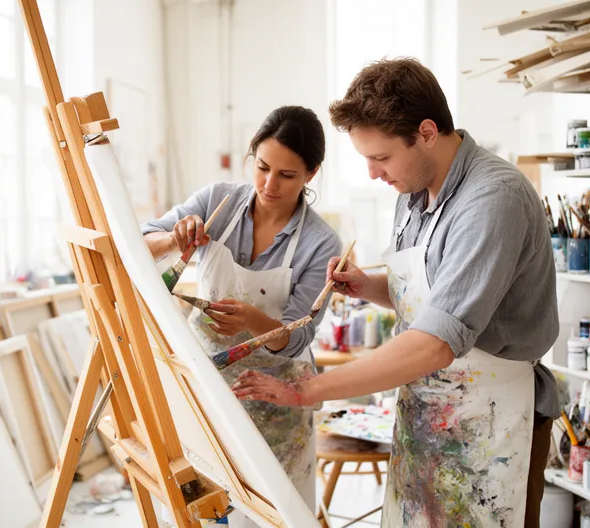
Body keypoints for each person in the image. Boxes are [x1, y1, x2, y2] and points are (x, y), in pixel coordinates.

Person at [231, 58, 558, 528]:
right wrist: (368, 287)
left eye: (380, 158)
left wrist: (308, 391)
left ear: (426, 132)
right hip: (428, 410)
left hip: (493, 418)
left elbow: (435, 340)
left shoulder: (493, 199)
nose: (372, 173)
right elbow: (434, 296)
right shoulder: (414, 186)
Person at [141, 106, 343, 527]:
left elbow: (299, 336)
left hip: (276, 397)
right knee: (198, 507)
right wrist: (172, 239)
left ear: (311, 174)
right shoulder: (219, 201)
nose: (270, 184)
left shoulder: (320, 242)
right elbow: (139, 243)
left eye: (287, 175)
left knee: (270, 513)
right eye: (263, 167)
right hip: (208, 385)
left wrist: (252, 319)